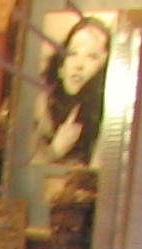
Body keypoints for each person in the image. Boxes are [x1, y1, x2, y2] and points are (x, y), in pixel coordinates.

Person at [38, 17, 113, 166]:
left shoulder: (107, 121)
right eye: (73, 53)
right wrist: (54, 151)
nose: (79, 65)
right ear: (61, 65)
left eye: (92, 57)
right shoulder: (40, 105)